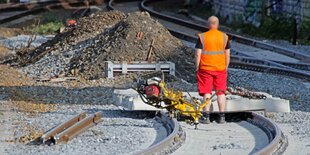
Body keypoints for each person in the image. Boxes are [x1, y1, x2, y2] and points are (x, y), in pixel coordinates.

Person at [195, 16, 230, 124]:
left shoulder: (202, 37)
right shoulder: (224, 37)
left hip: (205, 69)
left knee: (207, 92)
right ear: (217, 24)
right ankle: (222, 117)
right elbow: (227, 55)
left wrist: (197, 67)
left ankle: (206, 117)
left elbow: (197, 54)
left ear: (208, 24)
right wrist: (225, 67)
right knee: (221, 92)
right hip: (220, 69)